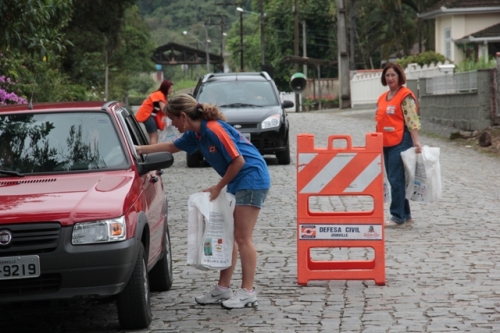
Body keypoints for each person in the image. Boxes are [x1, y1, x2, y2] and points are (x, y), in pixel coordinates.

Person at [134, 93, 271, 309]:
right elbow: (171, 147)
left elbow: (238, 160)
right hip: (239, 180)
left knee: (243, 238)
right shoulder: (195, 134)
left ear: (183, 116)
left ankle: (248, 292)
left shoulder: (214, 129)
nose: (172, 124)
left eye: (173, 120)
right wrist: (138, 150)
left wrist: (218, 186)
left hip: (252, 178)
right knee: (230, 236)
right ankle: (223, 288)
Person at [375, 62, 422, 228]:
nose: (389, 78)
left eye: (393, 75)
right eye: (387, 75)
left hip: (401, 140)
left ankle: (397, 216)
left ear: (399, 76)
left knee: (396, 179)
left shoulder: (405, 96)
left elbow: (412, 120)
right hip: (385, 142)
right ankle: (406, 214)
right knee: (395, 179)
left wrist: (416, 141)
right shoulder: (383, 97)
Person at [135, 79, 173, 144]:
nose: (171, 90)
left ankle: (150, 152)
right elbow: (164, 110)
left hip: (146, 115)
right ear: (166, 88)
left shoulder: (160, 94)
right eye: (170, 88)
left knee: (153, 136)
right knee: (154, 136)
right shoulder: (160, 95)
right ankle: (152, 153)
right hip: (146, 115)